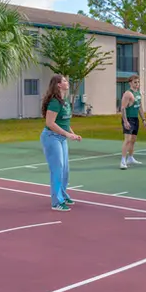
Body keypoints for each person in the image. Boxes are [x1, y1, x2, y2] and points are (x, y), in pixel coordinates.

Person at [40, 74, 82, 211]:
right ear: (58, 84)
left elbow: (64, 122)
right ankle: (56, 202)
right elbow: (50, 123)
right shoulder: (54, 102)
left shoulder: (65, 101)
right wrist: (67, 134)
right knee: (57, 169)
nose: (67, 82)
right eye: (64, 80)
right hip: (51, 137)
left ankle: (63, 195)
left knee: (65, 169)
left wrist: (72, 134)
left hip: (61, 137)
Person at [119, 74, 146, 169]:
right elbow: (123, 108)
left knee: (133, 140)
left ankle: (130, 157)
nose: (137, 84)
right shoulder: (128, 94)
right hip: (129, 118)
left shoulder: (138, 93)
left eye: (138, 82)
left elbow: (140, 107)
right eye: (135, 82)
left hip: (135, 119)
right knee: (127, 140)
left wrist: (143, 119)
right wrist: (125, 121)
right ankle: (123, 160)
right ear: (130, 83)